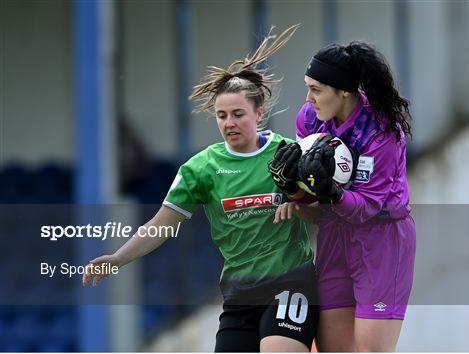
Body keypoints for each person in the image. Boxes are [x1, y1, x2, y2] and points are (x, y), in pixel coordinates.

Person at [82, 25, 319, 353]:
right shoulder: (200, 169)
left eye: (238, 114)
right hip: (240, 295)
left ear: (259, 114)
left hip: (290, 285)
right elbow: (161, 225)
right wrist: (118, 259)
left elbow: (321, 215)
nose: (228, 123)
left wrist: (301, 202)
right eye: (221, 116)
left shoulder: (289, 155)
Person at [269, 41, 416, 352]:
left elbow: (366, 208)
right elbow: (310, 198)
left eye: (317, 90)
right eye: (307, 88)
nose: (308, 98)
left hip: (382, 240)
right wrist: (291, 188)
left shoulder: (382, 132)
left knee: (370, 350)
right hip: (334, 235)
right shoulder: (309, 119)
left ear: (344, 91)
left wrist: (329, 192)